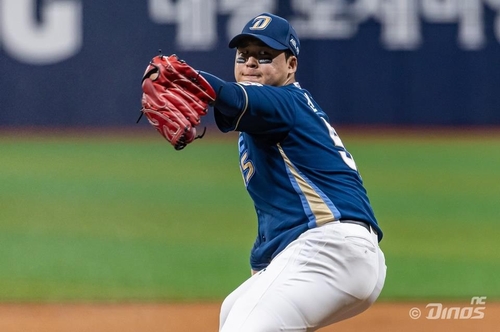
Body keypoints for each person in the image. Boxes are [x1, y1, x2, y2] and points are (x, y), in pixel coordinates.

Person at [199, 12, 387, 331]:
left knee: (244, 324)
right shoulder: (265, 122)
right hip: (335, 252)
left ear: (291, 66)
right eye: (243, 55)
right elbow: (275, 206)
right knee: (232, 310)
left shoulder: (285, 102)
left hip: (331, 248)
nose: (251, 63)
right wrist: (262, 266)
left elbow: (233, 95)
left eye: (265, 56)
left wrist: (192, 78)